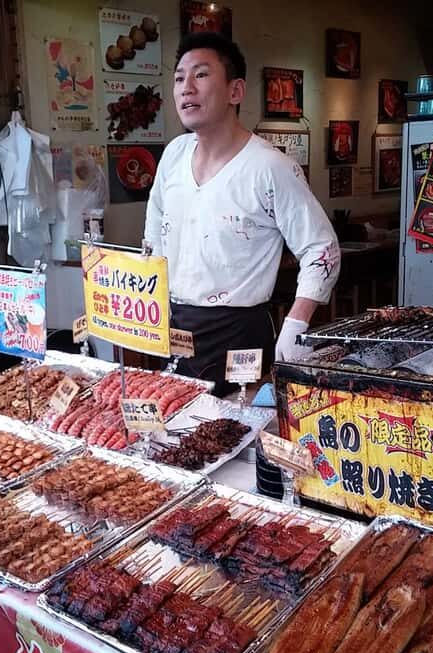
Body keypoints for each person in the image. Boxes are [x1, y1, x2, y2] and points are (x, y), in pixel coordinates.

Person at [145, 31, 340, 394]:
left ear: (235, 91)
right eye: (178, 78)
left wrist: (296, 325)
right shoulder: (173, 154)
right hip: (173, 326)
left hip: (238, 333)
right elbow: (155, 234)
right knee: (174, 437)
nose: (186, 87)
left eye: (201, 75)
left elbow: (321, 249)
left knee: (233, 436)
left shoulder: (270, 167)